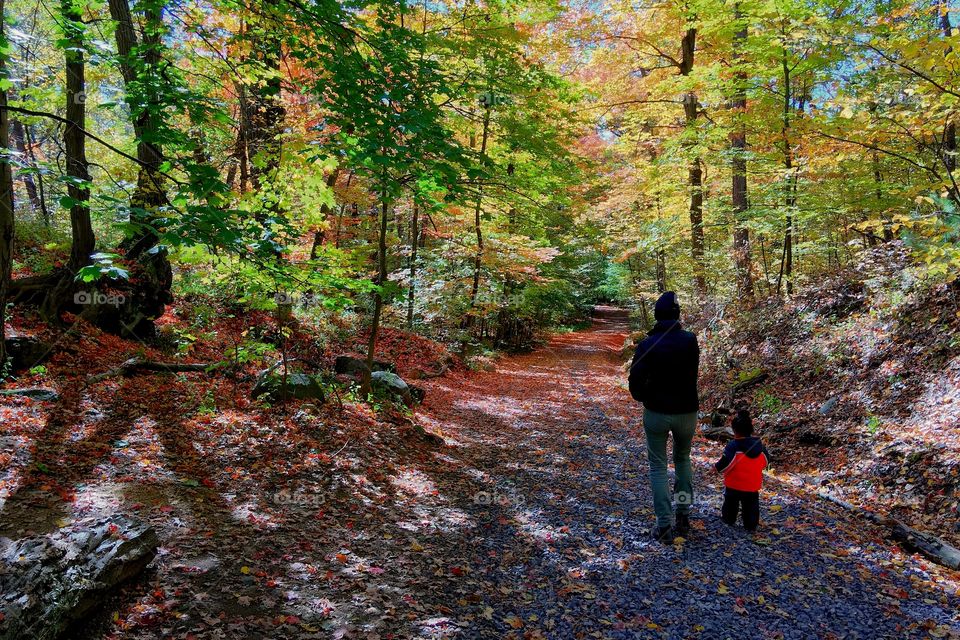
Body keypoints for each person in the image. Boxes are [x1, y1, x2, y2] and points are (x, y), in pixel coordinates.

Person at [628, 291, 700, 542]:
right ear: (677, 314)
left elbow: (634, 380)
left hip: (657, 412)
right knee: (683, 459)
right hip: (687, 412)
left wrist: (644, 396)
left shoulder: (648, 345)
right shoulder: (690, 341)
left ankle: (664, 524)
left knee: (658, 466)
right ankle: (682, 514)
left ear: (657, 316)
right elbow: (692, 373)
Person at [714, 409, 770, 532]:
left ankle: (729, 519)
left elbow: (726, 464)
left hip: (734, 483)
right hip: (752, 484)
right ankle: (750, 525)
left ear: (734, 430)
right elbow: (766, 461)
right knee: (751, 505)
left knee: (730, 503)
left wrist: (716, 468)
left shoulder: (733, 446)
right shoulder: (759, 445)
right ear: (751, 429)